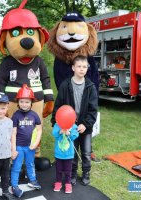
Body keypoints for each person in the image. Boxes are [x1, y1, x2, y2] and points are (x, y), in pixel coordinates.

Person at [51, 55, 98, 186]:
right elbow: (58, 105)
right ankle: (72, 174)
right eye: (79, 66)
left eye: (84, 67)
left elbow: (93, 110)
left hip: (85, 127)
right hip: (69, 126)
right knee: (72, 151)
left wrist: (86, 124)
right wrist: (56, 123)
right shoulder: (65, 85)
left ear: (87, 68)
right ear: (73, 68)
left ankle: (86, 173)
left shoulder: (91, 87)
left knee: (86, 153)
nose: (82, 69)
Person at [10, 84, 42, 198]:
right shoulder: (16, 115)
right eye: (22, 101)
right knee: (17, 166)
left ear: (31, 102)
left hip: (30, 146)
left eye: (27, 102)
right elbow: (13, 133)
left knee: (30, 164)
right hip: (18, 146)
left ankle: (33, 180)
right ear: (18, 102)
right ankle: (14, 185)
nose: (24, 104)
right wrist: (13, 149)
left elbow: (39, 130)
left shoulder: (34, 115)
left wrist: (36, 143)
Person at [52, 120, 79, 194]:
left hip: (68, 154)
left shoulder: (74, 126)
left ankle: (68, 183)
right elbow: (54, 133)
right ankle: (58, 182)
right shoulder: (57, 125)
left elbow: (75, 135)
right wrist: (59, 132)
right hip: (59, 153)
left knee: (68, 170)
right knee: (58, 169)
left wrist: (69, 133)